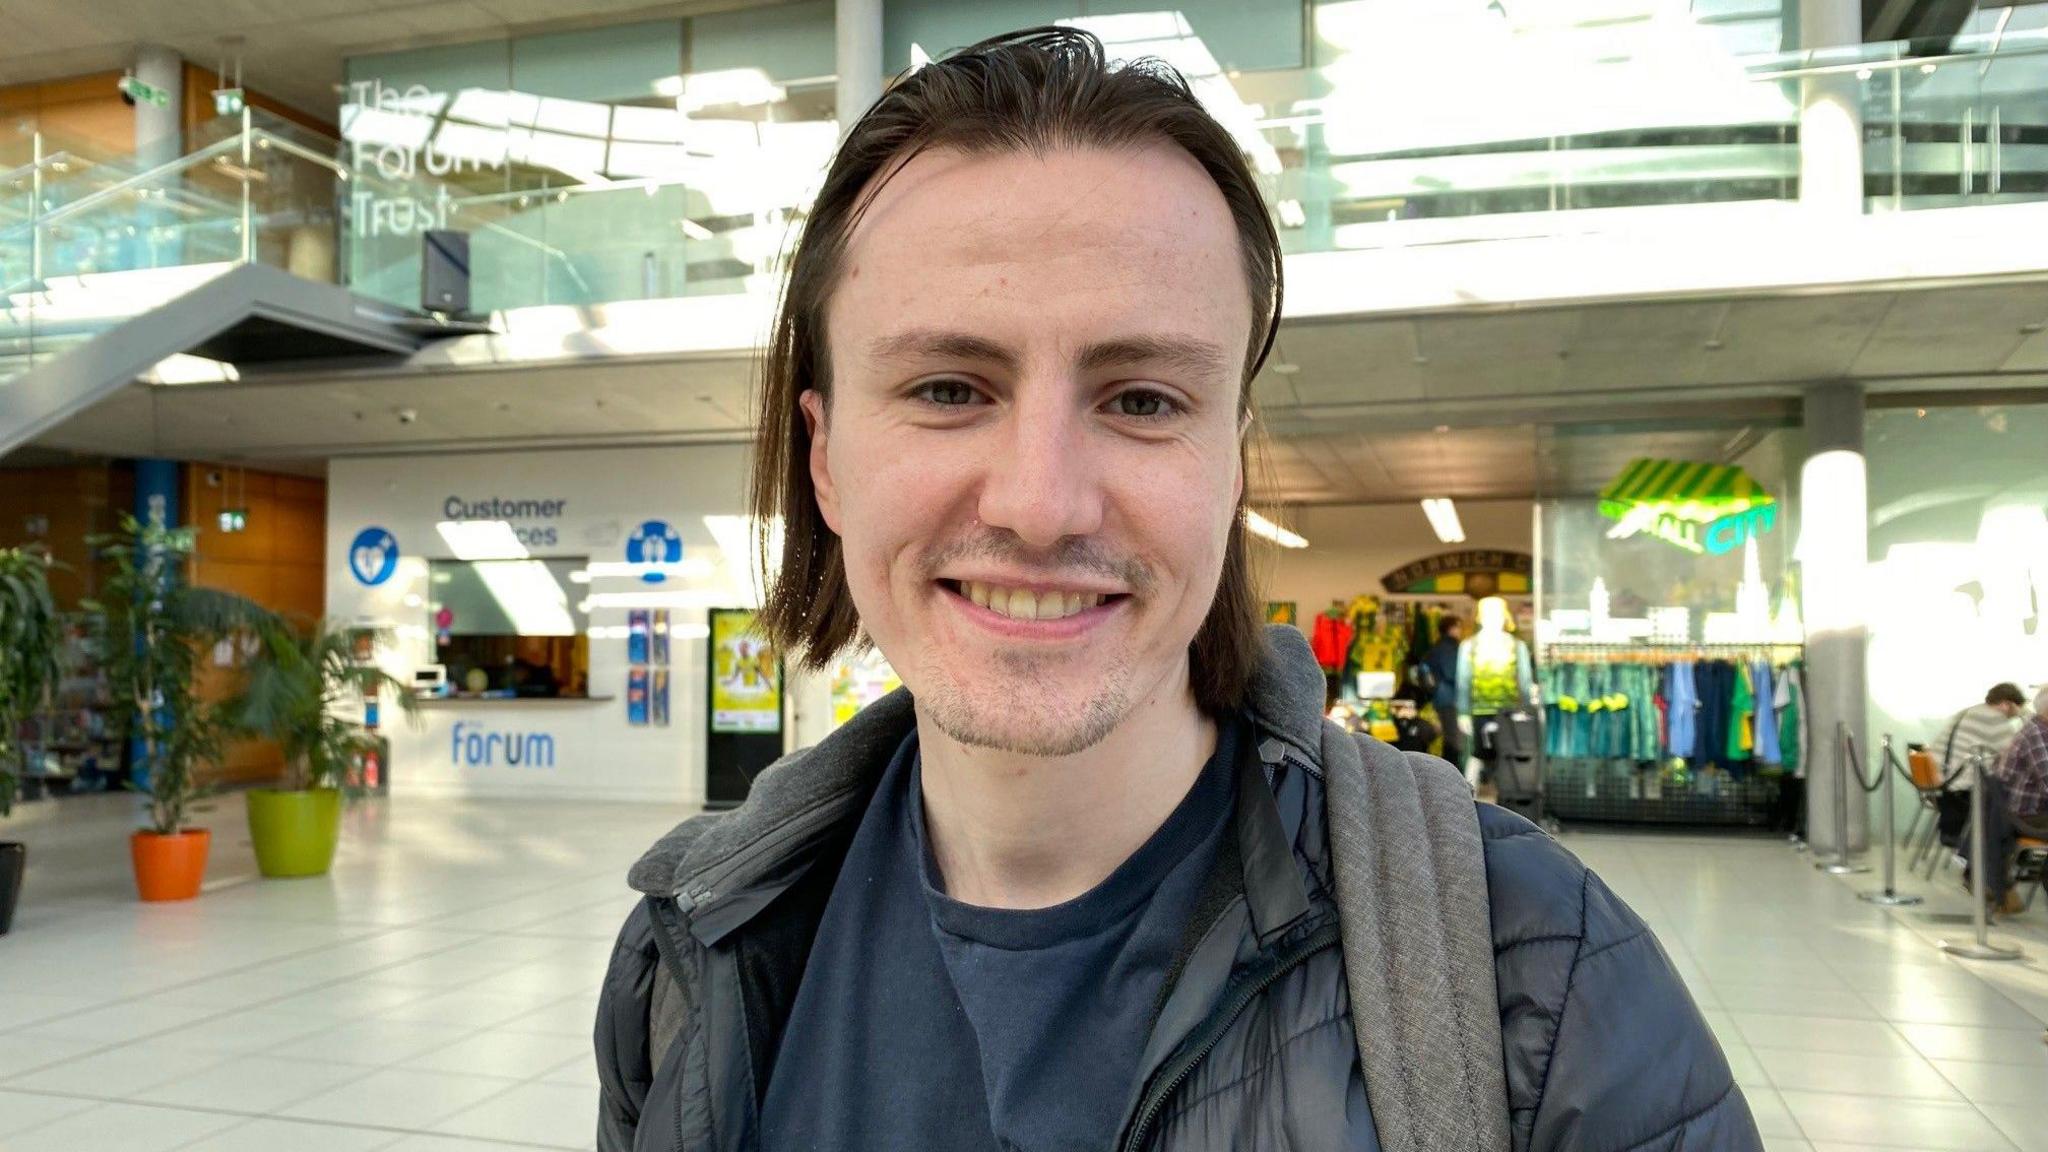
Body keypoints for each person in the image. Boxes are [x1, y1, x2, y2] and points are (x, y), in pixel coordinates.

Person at [596, 29, 1759, 1152]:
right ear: (825, 460)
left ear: (1231, 463)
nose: (1041, 504)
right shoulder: (690, 961)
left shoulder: (1536, 982)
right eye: (949, 389)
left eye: (1142, 399)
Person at [1421, 616, 1466, 766]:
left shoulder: (1436, 647)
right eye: (1458, 627)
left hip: (1440, 697)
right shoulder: (1449, 648)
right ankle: (1453, 773)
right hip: (1450, 697)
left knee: (1449, 737)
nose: (1460, 631)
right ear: (1451, 628)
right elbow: (1452, 672)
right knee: (1453, 739)